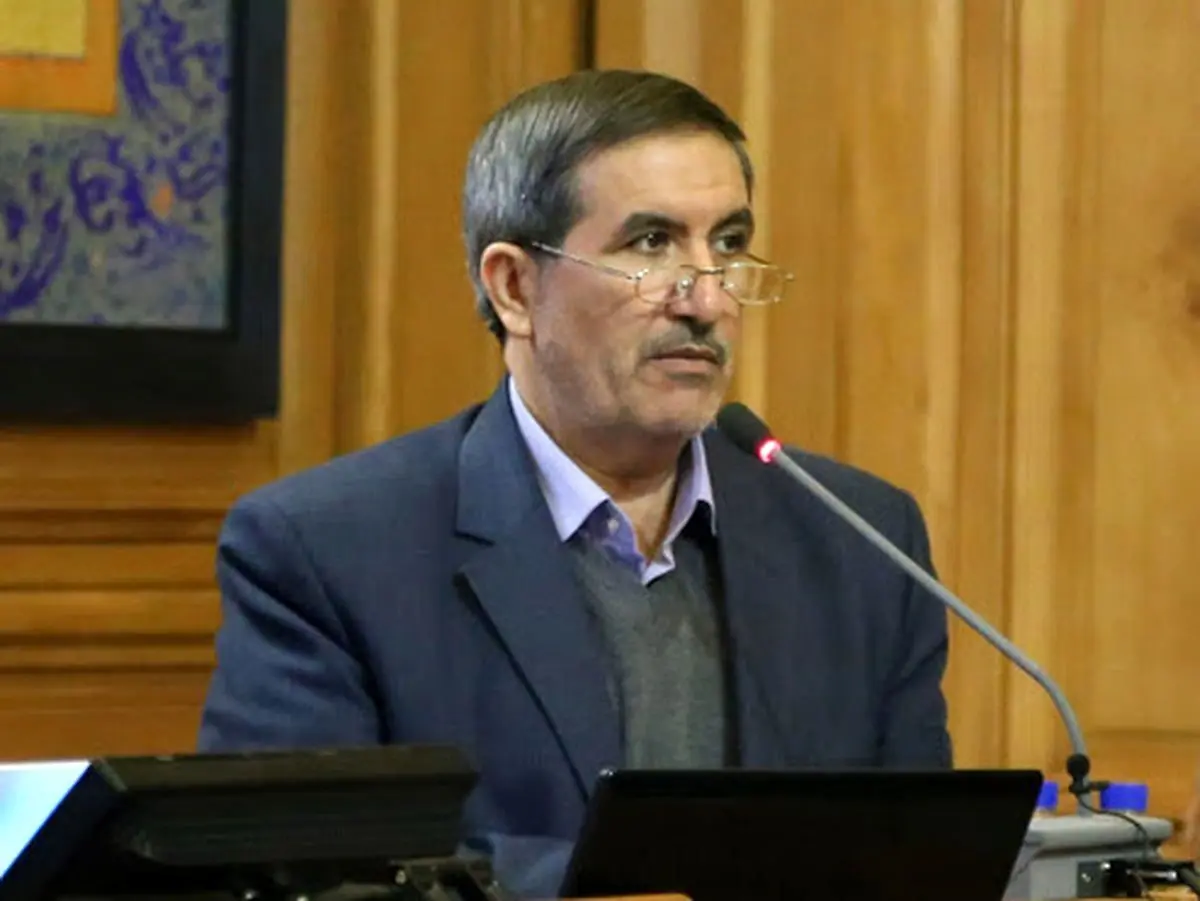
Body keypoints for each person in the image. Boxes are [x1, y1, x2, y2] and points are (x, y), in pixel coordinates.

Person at [197, 69, 953, 897]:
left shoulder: (858, 540)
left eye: (729, 243)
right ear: (515, 287)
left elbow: (916, 855)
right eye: (651, 245)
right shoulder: (329, 551)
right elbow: (304, 874)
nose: (707, 300)